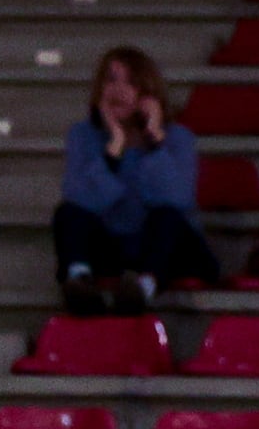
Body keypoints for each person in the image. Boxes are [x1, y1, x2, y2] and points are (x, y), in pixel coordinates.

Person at [55, 46, 214, 314]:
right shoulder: (83, 135)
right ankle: (79, 283)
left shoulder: (178, 138)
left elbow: (176, 199)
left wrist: (153, 141)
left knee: (167, 217)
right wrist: (114, 148)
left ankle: (143, 289)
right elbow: (80, 200)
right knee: (68, 214)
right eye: (111, 80)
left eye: (130, 82)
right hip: (113, 246)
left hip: (164, 248)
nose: (118, 90)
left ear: (147, 94)